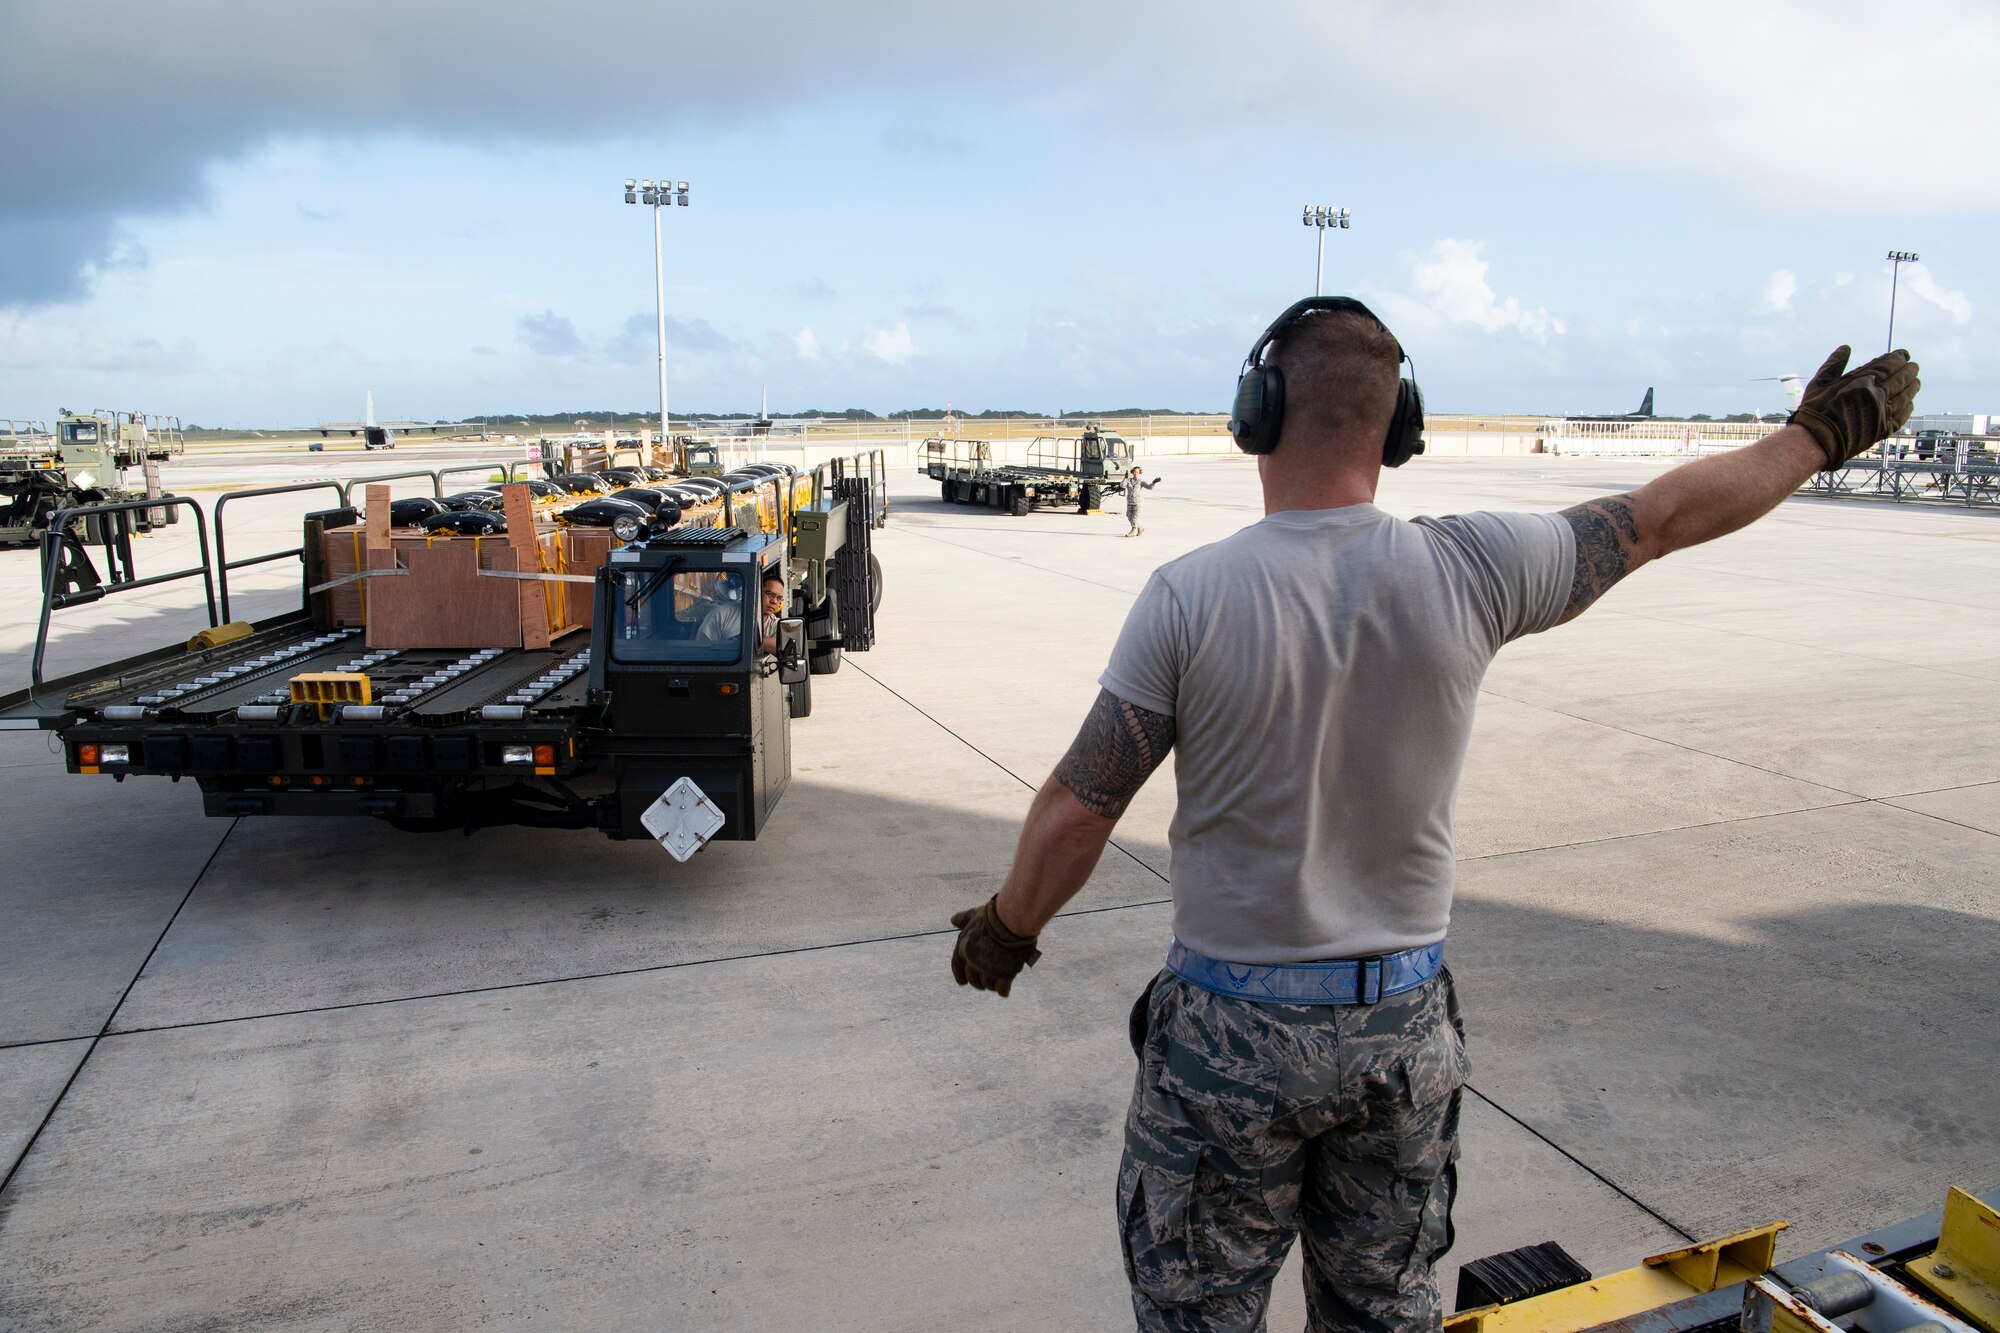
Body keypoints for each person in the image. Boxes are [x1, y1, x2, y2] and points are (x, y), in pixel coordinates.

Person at [947, 299, 1918, 1331]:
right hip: (1399, 1032)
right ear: (1397, 425)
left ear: (1256, 411)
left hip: (1230, 1031)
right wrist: (1810, 439)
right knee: (1379, 1312)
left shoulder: (1189, 595)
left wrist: (1009, 930)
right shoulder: (1473, 567)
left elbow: (1076, 811)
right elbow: (1658, 516)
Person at [695, 570, 785, 655]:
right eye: (769, 594)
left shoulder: (775, 625)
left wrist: (741, 641)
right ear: (757, 591)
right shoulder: (722, 614)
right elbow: (699, 650)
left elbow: (782, 647)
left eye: (779, 598)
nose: (774, 601)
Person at [1124, 466, 1162, 537]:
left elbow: (1149, 487)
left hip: (1138, 503)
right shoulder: (1128, 480)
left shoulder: (1141, 482)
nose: (1136, 473)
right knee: (1129, 516)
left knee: (1134, 518)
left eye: (1137, 472)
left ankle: (1133, 531)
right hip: (1130, 502)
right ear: (1132, 472)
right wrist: (1125, 479)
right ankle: (1140, 528)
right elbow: (1122, 486)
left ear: (1140, 473)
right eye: (1134, 472)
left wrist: (1154, 482)